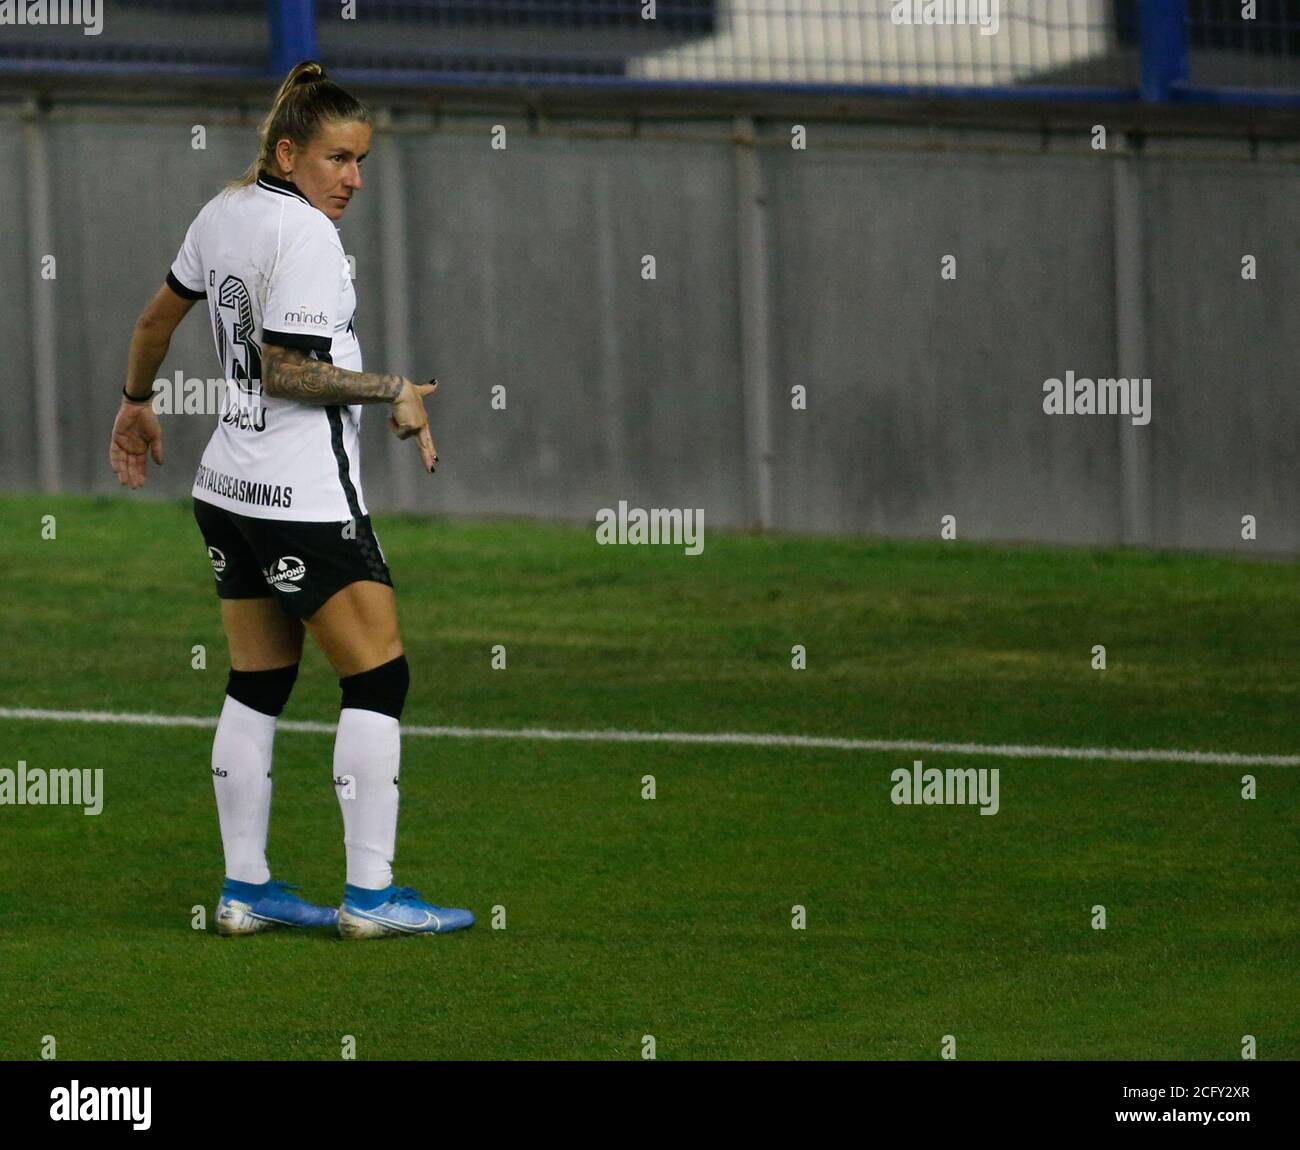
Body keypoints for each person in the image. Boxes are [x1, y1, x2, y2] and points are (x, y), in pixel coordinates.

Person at [109, 60, 473, 939]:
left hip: (227, 489)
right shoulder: (306, 237)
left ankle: (246, 890)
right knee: (379, 675)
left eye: (362, 162)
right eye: (339, 159)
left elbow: (157, 318)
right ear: (288, 151)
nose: (352, 179)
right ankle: (373, 899)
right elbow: (287, 369)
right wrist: (394, 389)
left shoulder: (222, 212)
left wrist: (135, 401)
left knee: (260, 681)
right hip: (299, 500)